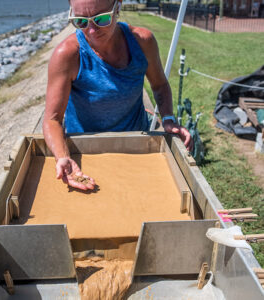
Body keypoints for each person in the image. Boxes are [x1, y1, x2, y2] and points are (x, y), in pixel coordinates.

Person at [43, 0, 192, 191]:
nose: (91, 30)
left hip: (136, 144)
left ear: (118, 7)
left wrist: (169, 118)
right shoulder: (67, 54)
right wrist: (63, 156)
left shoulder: (142, 42)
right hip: (85, 151)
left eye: (101, 19)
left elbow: (160, 85)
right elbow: (52, 119)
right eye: (81, 21)